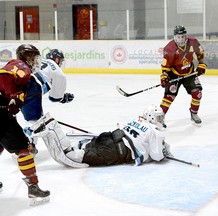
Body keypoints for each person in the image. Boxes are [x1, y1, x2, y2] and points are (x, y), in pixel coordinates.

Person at [28, 105, 172, 167]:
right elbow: (157, 156)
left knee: (83, 151)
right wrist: (164, 149)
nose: (160, 121)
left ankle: (84, 144)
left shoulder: (137, 120)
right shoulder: (156, 131)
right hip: (114, 151)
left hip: (108, 136)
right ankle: (52, 127)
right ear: (151, 117)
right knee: (72, 156)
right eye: (158, 118)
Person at [0, 44, 50, 203]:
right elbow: (4, 76)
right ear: (27, 58)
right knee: (23, 149)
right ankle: (33, 188)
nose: (36, 62)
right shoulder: (21, 67)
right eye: (34, 58)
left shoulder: (14, 65)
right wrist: (12, 96)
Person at [159, 25, 207, 125]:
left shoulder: (193, 42)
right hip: (174, 74)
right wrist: (164, 77)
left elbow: (200, 53)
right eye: (178, 37)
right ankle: (160, 118)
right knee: (169, 96)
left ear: (186, 36)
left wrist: (201, 64)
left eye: (183, 36)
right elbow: (165, 66)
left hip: (189, 73)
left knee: (197, 93)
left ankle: (194, 113)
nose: (181, 39)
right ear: (174, 37)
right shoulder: (169, 48)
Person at [21, 48, 74, 122]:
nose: (61, 63)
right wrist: (63, 98)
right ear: (57, 59)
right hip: (32, 88)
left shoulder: (40, 62)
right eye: (61, 61)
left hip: (18, 83)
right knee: (36, 124)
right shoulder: (59, 73)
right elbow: (54, 98)